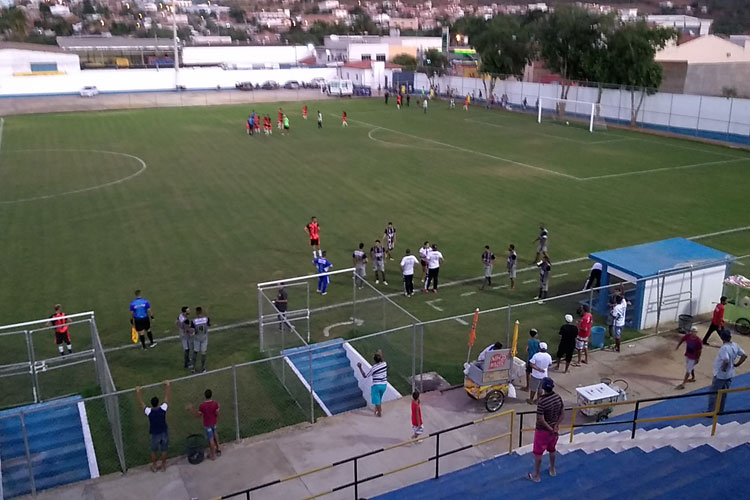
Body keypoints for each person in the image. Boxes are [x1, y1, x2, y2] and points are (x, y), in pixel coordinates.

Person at [527, 377, 564, 483]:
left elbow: (541, 419)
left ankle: (537, 476)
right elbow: (562, 413)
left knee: (538, 453)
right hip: (554, 431)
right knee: (552, 449)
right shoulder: (558, 397)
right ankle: (552, 469)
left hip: (542, 432)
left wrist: (550, 429)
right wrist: (556, 426)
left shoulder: (542, 401)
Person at [707, 329, 747, 414]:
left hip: (721, 375)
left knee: (713, 393)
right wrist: (737, 364)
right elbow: (744, 355)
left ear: (722, 338)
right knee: (724, 393)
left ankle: (710, 411)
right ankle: (720, 410)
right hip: (730, 374)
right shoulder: (735, 345)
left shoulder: (724, 348)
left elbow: (726, 360)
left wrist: (723, 369)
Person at [136, 381, 171, 473]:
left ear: (151, 404)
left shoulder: (149, 412)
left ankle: (155, 466)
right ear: (158, 403)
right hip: (164, 432)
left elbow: (140, 403)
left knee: (153, 450)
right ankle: (163, 466)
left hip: (154, 433)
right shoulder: (163, 409)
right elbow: (167, 398)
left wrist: (138, 392)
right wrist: (167, 386)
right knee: (164, 449)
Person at [187, 389, 221, 460]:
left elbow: (198, 415)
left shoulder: (202, 405)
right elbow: (217, 413)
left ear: (205, 396)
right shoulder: (215, 403)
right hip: (214, 422)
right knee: (215, 433)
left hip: (207, 424)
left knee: (211, 439)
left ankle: (213, 455)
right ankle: (218, 448)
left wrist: (191, 410)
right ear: (211, 395)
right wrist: (217, 410)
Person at [357, 350, 387, 417]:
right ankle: (377, 410)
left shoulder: (373, 368)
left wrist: (360, 367)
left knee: (377, 401)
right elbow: (382, 359)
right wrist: (380, 354)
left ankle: (379, 413)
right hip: (384, 385)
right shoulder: (384, 364)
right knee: (379, 399)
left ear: (375, 360)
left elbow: (365, 376)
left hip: (376, 386)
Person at [191, 307, 210, 373]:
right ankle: (203, 368)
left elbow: (192, 330)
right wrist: (207, 314)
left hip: (197, 338)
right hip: (204, 338)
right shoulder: (205, 319)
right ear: (201, 313)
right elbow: (208, 324)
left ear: (196, 313)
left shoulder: (194, 321)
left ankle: (193, 368)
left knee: (195, 352)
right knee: (203, 353)